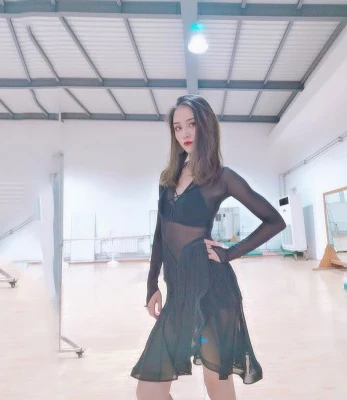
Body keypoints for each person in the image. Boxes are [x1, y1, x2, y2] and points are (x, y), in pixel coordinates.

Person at [131, 95, 286, 400]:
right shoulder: (167, 179)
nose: (184, 133)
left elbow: (274, 220)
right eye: (177, 127)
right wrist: (152, 285)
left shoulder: (222, 178)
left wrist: (230, 253)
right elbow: (160, 235)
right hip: (178, 295)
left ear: (205, 126)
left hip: (213, 290)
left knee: (217, 386)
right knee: (148, 391)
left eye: (191, 124)